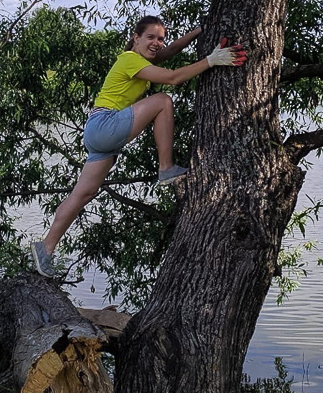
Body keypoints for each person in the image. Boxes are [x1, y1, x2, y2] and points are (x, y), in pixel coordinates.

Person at [30, 15, 246, 275]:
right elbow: (175, 77)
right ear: (136, 38)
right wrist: (211, 60)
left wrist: (200, 30)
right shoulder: (130, 59)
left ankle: (46, 248)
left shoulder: (142, 59)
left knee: (82, 194)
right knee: (163, 100)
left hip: (98, 134)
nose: (157, 43)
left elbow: (170, 52)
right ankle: (166, 168)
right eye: (151, 37)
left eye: (161, 38)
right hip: (105, 125)